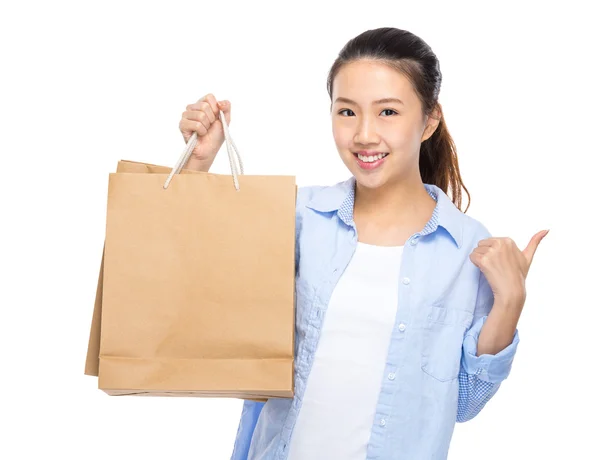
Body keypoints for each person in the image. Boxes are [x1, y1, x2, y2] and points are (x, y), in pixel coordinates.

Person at [179, 27, 547, 460]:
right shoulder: (300, 216)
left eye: (388, 112)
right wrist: (197, 166)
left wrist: (510, 302)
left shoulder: (466, 246)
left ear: (430, 120)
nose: (364, 135)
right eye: (347, 112)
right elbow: (204, 292)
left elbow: (462, 404)